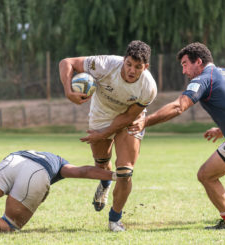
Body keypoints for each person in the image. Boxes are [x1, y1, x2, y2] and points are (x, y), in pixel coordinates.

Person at [128, 42, 225, 229]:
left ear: (198, 61)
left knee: (206, 175)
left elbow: (178, 106)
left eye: (185, 64)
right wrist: (222, 129)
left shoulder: (203, 79)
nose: (184, 71)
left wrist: (145, 121)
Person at [59, 40, 157, 231]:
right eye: (129, 64)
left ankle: (114, 219)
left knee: (125, 171)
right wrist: (68, 91)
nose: (131, 70)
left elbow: (128, 116)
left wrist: (103, 134)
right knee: (101, 162)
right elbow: (66, 62)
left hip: (129, 119)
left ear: (146, 67)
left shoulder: (149, 87)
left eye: (138, 67)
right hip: (101, 114)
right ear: (123, 60)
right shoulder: (105, 64)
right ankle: (105, 182)